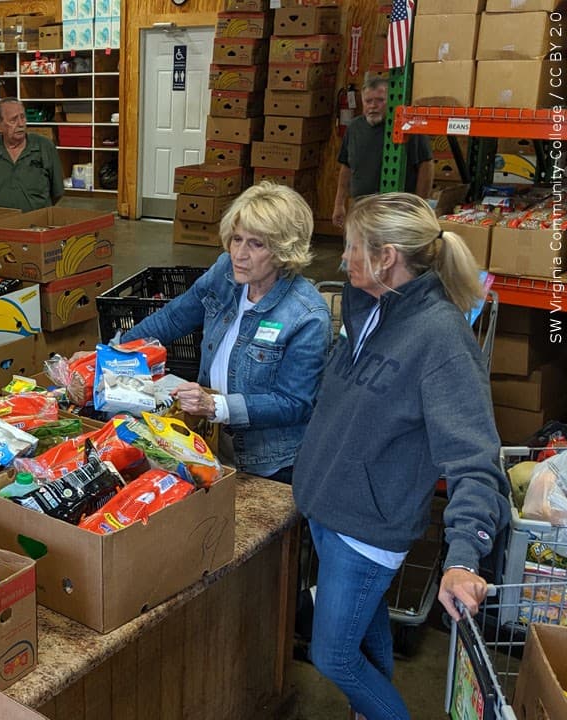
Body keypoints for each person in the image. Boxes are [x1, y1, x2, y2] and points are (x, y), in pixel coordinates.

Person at [294, 193, 509, 720]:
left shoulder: (442, 340)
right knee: (365, 644)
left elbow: (475, 458)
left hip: (366, 531)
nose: (343, 260)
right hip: (331, 510)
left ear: (387, 256)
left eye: (351, 248)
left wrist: (462, 558)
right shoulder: (372, 308)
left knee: (335, 656)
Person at [119, 183, 330, 483]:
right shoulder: (226, 272)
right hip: (211, 441)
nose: (239, 254)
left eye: (256, 244)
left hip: (267, 462)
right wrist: (115, 354)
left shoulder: (307, 316)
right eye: (236, 239)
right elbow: (174, 317)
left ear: (284, 250)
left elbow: (293, 403)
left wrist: (215, 405)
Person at [332, 77, 434, 228]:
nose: (373, 106)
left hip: (396, 211)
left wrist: (419, 206)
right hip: (360, 208)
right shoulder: (354, 128)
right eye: (368, 101)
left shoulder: (408, 127)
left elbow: (426, 165)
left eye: (380, 100)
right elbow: (346, 167)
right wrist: (339, 204)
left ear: (391, 100)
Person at [0, 98, 64, 212]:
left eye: (23, 117)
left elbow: (57, 193)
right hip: (2, 224)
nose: (21, 124)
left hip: (38, 224)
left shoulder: (45, 146)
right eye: (13, 120)